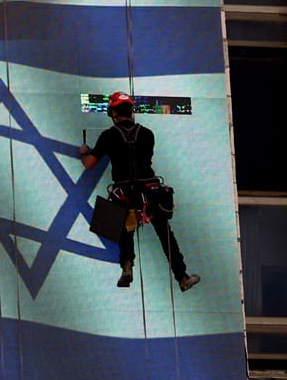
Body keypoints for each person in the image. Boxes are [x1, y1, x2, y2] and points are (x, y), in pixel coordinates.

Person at [82, 93, 200, 292]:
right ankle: (182, 277)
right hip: (149, 192)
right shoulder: (147, 134)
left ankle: (127, 268)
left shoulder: (109, 136)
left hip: (124, 193)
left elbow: (90, 164)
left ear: (113, 113)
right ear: (131, 111)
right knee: (165, 234)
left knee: (125, 228)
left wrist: (84, 152)